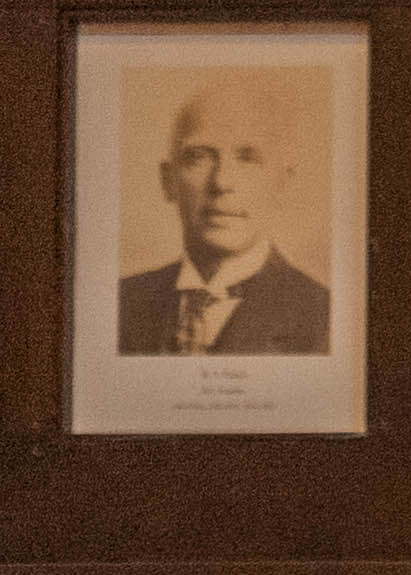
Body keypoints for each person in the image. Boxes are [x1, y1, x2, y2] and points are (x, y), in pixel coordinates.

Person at [111, 78, 331, 362]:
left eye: (248, 158)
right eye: (198, 157)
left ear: (282, 183)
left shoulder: (323, 318)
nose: (222, 182)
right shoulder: (119, 303)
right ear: (168, 181)